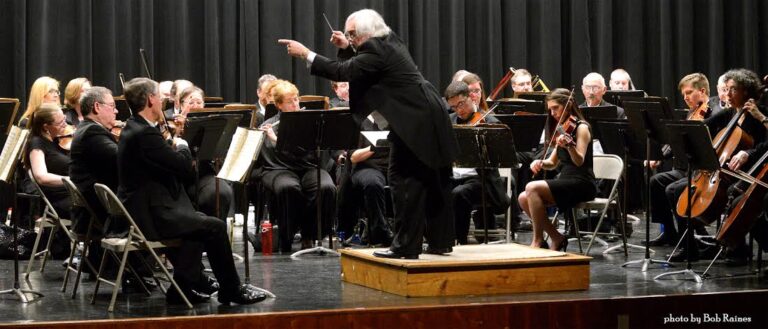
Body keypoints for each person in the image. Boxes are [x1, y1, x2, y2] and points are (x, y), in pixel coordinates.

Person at [279, 8, 459, 259]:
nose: (349, 38)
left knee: (403, 180)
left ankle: (405, 247)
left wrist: (305, 54)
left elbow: (344, 71)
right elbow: (358, 62)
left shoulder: (375, 50)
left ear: (365, 34)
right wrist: (346, 45)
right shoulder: (388, 40)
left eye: (352, 34)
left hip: (415, 120)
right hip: (427, 113)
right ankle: (440, 242)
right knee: (432, 179)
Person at [116, 77, 264, 305]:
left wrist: (170, 145)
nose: (163, 100)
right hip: (152, 215)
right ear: (150, 100)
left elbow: (161, 162)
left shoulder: (136, 128)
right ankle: (231, 289)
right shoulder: (144, 134)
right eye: (159, 96)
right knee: (214, 226)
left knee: (198, 224)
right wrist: (182, 144)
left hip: (147, 208)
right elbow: (184, 168)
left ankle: (180, 290)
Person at [255, 80, 337, 251]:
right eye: (290, 101)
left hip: (307, 167)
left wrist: (277, 140)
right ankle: (286, 237)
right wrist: (268, 137)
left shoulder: (308, 122)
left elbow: (306, 153)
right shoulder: (270, 125)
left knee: (326, 187)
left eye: (296, 99)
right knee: (288, 187)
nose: (295, 104)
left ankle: (311, 234)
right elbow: (273, 157)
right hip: (279, 169)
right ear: (279, 105)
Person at [518, 88, 597, 251]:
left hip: (582, 183)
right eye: (550, 109)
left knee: (531, 187)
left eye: (555, 108)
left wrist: (570, 146)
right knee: (522, 198)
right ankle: (556, 237)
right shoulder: (563, 127)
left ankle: (538, 240)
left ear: (567, 106)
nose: (552, 113)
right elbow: (552, 163)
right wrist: (540, 162)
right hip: (565, 180)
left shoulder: (581, 128)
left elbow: (579, 161)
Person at [646, 73, 715, 247]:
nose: (685, 97)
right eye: (683, 94)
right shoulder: (692, 113)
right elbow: (677, 141)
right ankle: (669, 232)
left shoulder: (713, 111)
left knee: (672, 189)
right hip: (685, 169)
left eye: (689, 92)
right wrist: (660, 157)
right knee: (656, 181)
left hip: (701, 171)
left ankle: (689, 237)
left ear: (702, 90)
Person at [445, 81, 509, 244]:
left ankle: (458, 241)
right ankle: (436, 239)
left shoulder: (490, 122)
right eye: (453, 107)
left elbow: (498, 159)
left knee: (459, 194)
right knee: (427, 188)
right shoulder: (449, 121)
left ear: (472, 98)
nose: (458, 110)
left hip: (481, 179)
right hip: (453, 177)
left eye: (461, 104)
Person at [177, 86, 235, 220]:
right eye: (190, 103)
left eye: (199, 102)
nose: (195, 106)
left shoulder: (211, 124)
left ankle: (219, 229)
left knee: (222, 192)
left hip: (204, 172)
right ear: (181, 105)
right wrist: (180, 129)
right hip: (180, 177)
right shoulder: (173, 123)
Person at [336, 112, 393, 246]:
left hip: (392, 166)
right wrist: (375, 146)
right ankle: (381, 232)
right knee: (373, 183)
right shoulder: (358, 122)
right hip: (366, 167)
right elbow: (353, 157)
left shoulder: (394, 120)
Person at [25, 103, 72, 258]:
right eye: (60, 123)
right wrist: (70, 180)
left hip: (67, 195)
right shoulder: (36, 143)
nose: (66, 124)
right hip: (58, 201)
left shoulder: (55, 140)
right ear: (46, 127)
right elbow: (41, 176)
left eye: (65, 119)